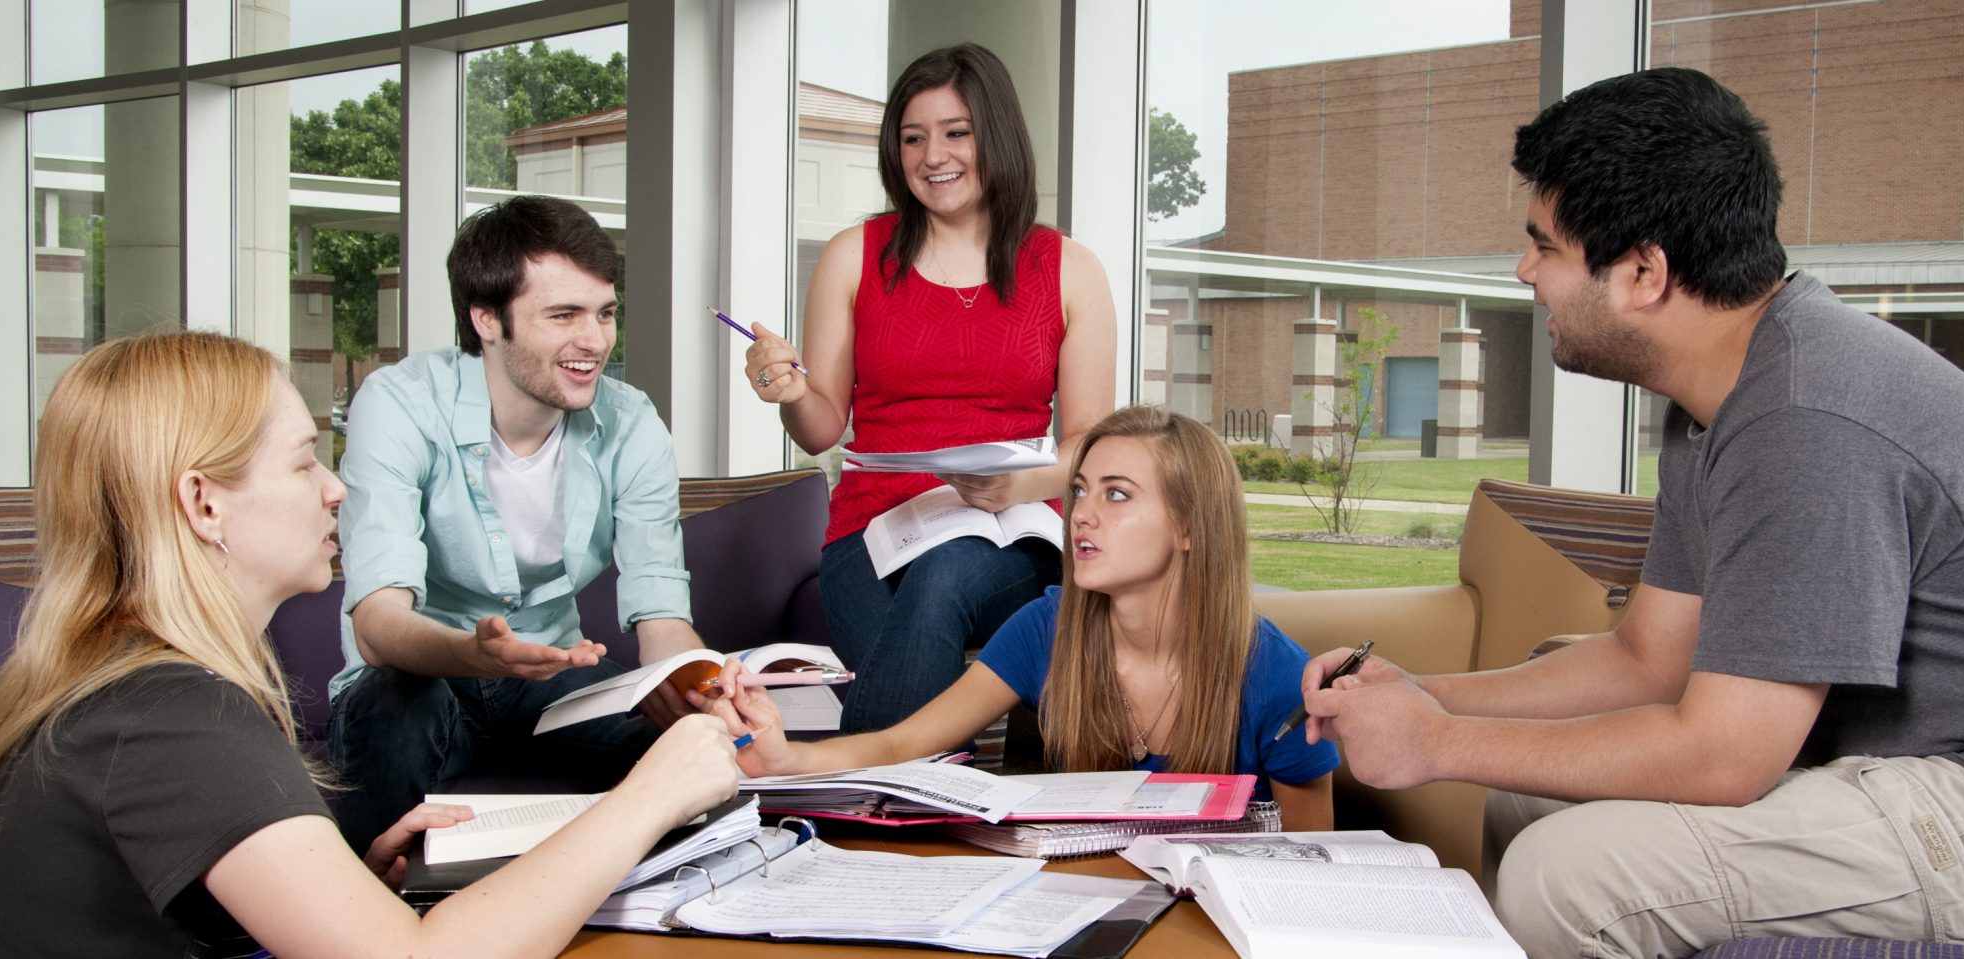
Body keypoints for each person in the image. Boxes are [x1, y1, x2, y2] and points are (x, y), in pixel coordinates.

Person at [1299, 67, 1964, 959]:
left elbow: (1723, 756)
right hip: (1935, 766)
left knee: (1566, 876)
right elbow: (1648, 661)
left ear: (1644, 272)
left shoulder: (1806, 418)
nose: (1524, 270)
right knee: (1529, 792)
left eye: (1546, 246)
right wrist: (1423, 695)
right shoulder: (1721, 399)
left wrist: (1439, 741)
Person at [0, 331, 740, 959]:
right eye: (302, 463)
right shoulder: (172, 716)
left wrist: (347, 888)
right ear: (204, 504)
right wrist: (649, 795)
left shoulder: (125, 683)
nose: (335, 487)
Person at [700, 406, 1339, 831]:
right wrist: (783, 759)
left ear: (1190, 527)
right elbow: (900, 745)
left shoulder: (1276, 673)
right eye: (1080, 490)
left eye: (1117, 495)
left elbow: (1312, 864)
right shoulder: (1047, 628)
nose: (1082, 513)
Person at [741, 43, 1116, 732]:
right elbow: (822, 430)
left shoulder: (1069, 268)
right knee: (918, 625)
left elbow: (1093, 442)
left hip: (1011, 531)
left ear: (995, 135)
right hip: (870, 533)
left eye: (955, 132)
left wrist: (1021, 484)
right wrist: (792, 394)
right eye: (913, 138)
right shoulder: (854, 254)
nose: (932, 156)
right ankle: (931, 778)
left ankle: (845, 782)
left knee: (945, 573)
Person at [331, 195, 710, 853]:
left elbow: (661, 614)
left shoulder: (632, 422)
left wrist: (702, 684)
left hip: (550, 677)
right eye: (563, 315)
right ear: (486, 318)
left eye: (604, 312)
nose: (595, 340)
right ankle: (369, 896)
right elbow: (377, 624)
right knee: (396, 707)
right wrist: (472, 653)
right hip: (422, 675)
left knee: (692, 744)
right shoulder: (400, 404)